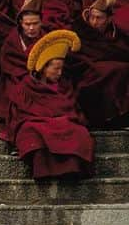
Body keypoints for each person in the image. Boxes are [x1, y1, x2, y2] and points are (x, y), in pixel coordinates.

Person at [7, 29, 94, 179]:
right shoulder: (27, 85)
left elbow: (72, 106)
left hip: (63, 120)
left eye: (61, 68)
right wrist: (46, 117)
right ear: (43, 67)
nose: (60, 73)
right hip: (36, 121)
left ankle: (71, 170)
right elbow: (19, 112)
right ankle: (43, 172)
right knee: (31, 132)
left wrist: (64, 117)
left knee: (80, 133)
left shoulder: (64, 84)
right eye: (56, 69)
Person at [0, 0, 49, 140]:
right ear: (20, 24)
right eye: (27, 24)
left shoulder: (47, 39)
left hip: (42, 79)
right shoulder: (12, 40)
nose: (31, 28)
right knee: (18, 99)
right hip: (16, 79)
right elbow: (8, 64)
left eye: (35, 24)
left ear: (41, 22)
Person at [69, 0, 129, 128]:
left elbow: (123, 52)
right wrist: (92, 64)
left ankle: (119, 117)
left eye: (99, 18)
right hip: (87, 71)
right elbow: (74, 58)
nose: (94, 22)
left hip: (111, 73)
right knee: (112, 70)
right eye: (92, 17)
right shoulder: (80, 30)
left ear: (108, 19)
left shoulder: (117, 34)